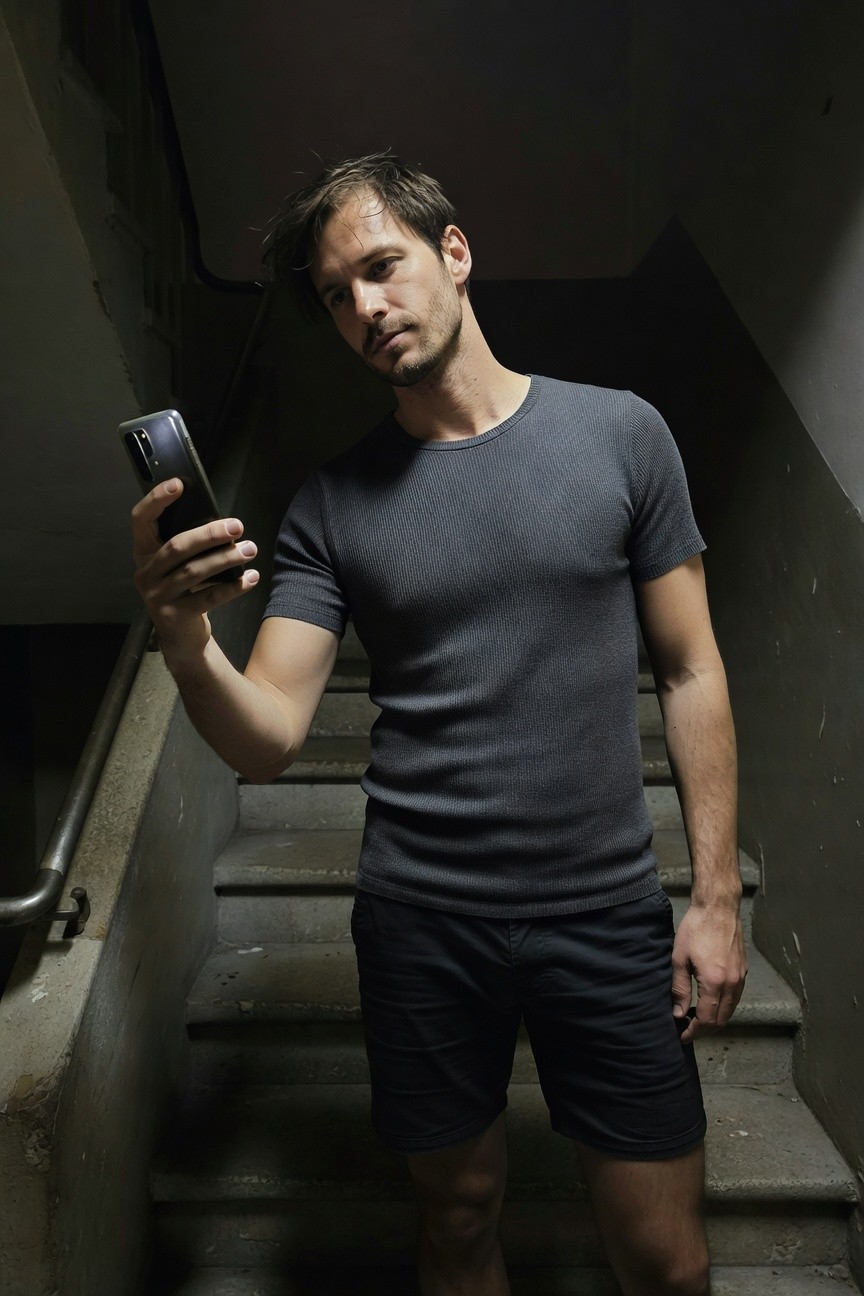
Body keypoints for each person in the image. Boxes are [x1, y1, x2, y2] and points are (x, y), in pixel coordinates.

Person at [131, 153, 747, 1296]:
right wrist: (183, 643)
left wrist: (714, 900)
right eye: (335, 295)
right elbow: (267, 736)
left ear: (453, 255)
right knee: (458, 1218)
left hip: (604, 911)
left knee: (666, 1258)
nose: (364, 308)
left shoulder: (621, 436)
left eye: (382, 268)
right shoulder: (331, 504)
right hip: (423, 924)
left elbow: (693, 667)